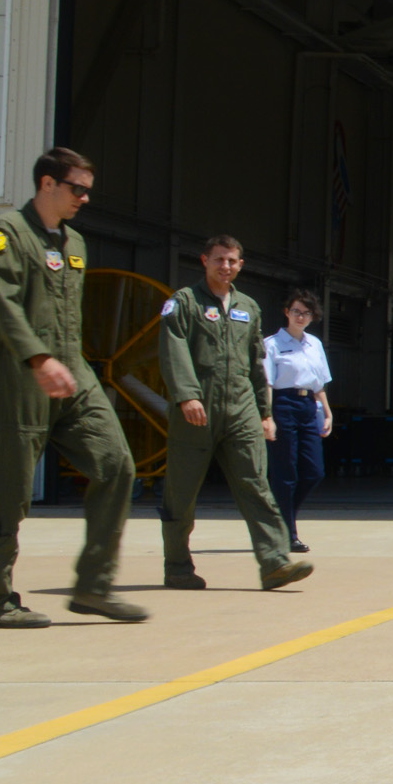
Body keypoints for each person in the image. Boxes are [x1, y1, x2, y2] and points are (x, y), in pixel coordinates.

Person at [0, 148, 147, 628]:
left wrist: (64, 363)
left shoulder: (76, 244)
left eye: (88, 190)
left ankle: (93, 586)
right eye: (77, 189)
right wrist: (38, 357)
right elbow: (2, 304)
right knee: (10, 492)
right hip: (22, 376)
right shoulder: (4, 234)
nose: (85, 198)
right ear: (47, 184)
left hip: (73, 372)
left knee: (117, 465)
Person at [158, 236, 313, 592]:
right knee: (181, 493)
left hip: (241, 407)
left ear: (241, 265)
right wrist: (186, 395)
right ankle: (178, 566)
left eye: (232, 261)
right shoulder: (184, 302)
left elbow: (257, 363)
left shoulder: (249, 307)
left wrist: (264, 411)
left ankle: (274, 563)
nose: (225, 266)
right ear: (204, 261)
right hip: (197, 409)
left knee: (256, 485)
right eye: (218, 260)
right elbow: (173, 348)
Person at [263, 289, 332, 555]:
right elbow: (267, 382)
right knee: (285, 472)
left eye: (307, 313)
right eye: (296, 311)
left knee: (314, 471)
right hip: (282, 404)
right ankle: (288, 533)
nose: (301, 317)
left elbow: (320, 383)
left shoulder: (314, 344)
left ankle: (283, 516)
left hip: (308, 406)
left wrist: (327, 413)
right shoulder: (272, 344)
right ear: (286, 312)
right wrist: (267, 416)